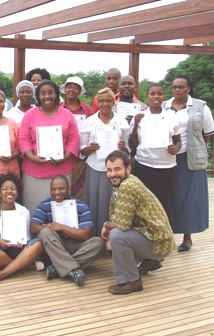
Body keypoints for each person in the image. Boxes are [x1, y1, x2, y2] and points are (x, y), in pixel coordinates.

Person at [102, 150, 175, 294]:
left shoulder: (128, 186)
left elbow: (121, 225)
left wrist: (106, 227)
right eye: (109, 170)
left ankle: (132, 281)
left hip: (159, 242)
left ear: (128, 168)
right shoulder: (126, 181)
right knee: (115, 236)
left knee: (117, 235)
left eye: (117, 169)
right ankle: (149, 261)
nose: (112, 174)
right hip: (153, 236)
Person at [162, 75, 214, 252]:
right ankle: (166, 236)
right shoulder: (164, 107)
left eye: (181, 87)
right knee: (170, 198)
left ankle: (187, 238)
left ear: (188, 89)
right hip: (168, 160)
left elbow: (207, 134)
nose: (177, 90)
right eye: (174, 87)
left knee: (190, 200)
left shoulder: (201, 107)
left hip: (190, 161)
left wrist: (195, 149)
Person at [18, 80, 80, 214]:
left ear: (56, 94)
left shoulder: (67, 114)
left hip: (61, 169)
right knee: (34, 208)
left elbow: (74, 139)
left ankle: (59, 233)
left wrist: (65, 157)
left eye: (51, 93)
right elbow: (23, 139)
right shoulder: (30, 114)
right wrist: (31, 157)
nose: (47, 96)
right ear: (38, 96)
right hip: (34, 171)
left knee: (60, 210)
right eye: (43, 93)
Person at [31, 175, 104, 286]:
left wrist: (62, 227)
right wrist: (53, 229)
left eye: (61, 189)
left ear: (68, 189)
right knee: (45, 232)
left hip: (76, 245)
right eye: (53, 189)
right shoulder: (44, 205)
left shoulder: (81, 206)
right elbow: (33, 227)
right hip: (55, 245)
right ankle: (73, 270)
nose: (57, 192)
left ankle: (57, 268)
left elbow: (85, 234)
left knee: (98, 243)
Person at [129, 83, 181, 227]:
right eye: (153, 94)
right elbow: (132, 145)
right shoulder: (140, 116)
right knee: (146, 202)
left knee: (166, 202)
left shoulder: (171, 116)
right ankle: (147, 236)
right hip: (145, 165)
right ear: (147, 96)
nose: (156, 97)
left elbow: (178, 141)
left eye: (159, 94)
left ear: (164, 96)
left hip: (167, 166)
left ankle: (164, 235)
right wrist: (135, 125)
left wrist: (175, 149)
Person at [80, 88, 130, 236]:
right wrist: (91, 147)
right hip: (95, 167)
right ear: (97, 102)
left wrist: (123, 147)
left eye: (108, 100)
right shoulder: (89, 122)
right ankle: (95, 236)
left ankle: (113, 237)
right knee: (95, 202)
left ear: (113, 102)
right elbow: (82, 149)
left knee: (114, 203)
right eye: (101, 101)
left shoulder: (121, 121)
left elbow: (128, 149)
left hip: (117, 170)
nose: (105, 103)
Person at [0, 173, 44, 285]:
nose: (9, 191)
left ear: (17, 193)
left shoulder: (24, 211)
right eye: (5, 189)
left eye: (13, 189)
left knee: (38, 244)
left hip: (17, 249)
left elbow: (27, 237)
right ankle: (26, 266)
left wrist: (21, 242)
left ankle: (2, 274)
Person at [59, 76, 94, 199]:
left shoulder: (88, 110)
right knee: (62, 185)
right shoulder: (58, 108)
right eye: (69, 87)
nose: (72, 90)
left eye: (75, 88)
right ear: (65, 89)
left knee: (80, 188)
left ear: (80, 91)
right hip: (62, 154)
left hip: (81, 157)